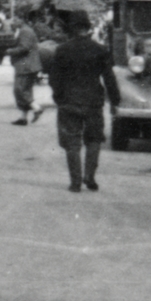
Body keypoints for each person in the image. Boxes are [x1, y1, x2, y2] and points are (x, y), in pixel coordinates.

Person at [45, 10, 120, 193]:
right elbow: (109, 78)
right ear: (88, 28)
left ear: (71, 29)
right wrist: (115, 100)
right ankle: (90, 177)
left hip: (69, 101)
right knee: (94, 140)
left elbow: (54, 78)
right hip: (93, 101)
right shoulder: (100, 50)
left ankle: (75, 182)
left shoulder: (63, 50)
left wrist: (59, 97)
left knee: (72, 143)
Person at [7, 13, 44, 125]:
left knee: (19, 90)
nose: (13, 22)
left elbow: (24, 47)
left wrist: (10, 51)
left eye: (15, 19)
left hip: (26, 65)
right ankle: (23, 117)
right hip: (28, 65)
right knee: (26, 90)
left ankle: (36, 108)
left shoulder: (25, 31)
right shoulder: (24, 30)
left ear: (22, 20)